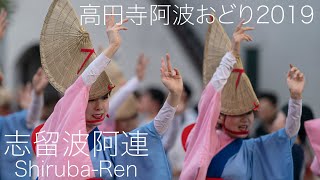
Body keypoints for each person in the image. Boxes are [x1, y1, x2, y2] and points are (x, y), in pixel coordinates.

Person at [34, 1, 183, 179]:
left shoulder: (110, 148)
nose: (100, 106)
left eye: (105, 98)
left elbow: (154, 130)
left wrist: (174, 96)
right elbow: (82, 85)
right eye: (90, 100)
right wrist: (112, 48)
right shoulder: (57, 138)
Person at [180, 19, 304, 180]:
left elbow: (290, 132)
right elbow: (209, 98)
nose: (246, 120)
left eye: (249, 113)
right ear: (219, 115)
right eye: (239, 114)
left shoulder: (252, 148)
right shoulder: (202, 138)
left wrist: (295, 97)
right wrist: (231, 55)